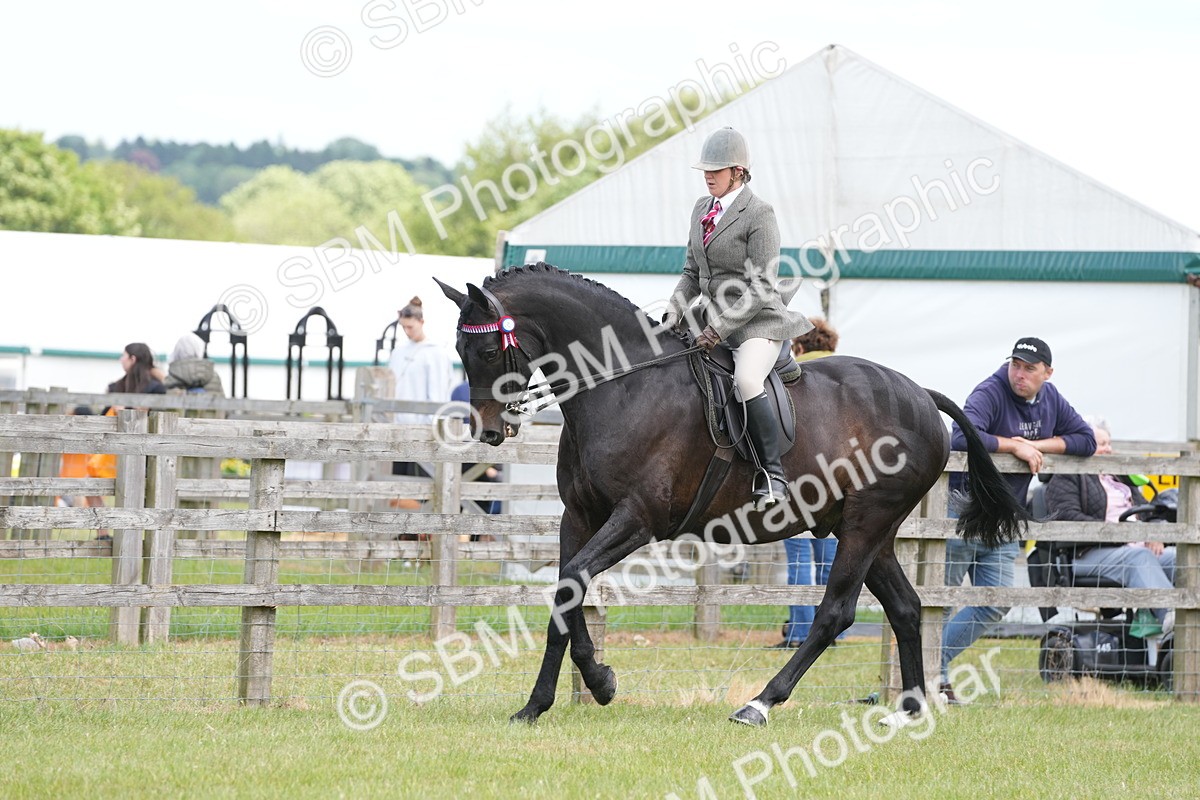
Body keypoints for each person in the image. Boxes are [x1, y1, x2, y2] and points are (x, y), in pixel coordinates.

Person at [662, 126, 813, 507]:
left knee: (746, 380)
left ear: (738, 172)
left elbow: (762, 285)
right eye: (705, 170)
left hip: (756, 322)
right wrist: (673, 311)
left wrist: (717, 329)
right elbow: (691, 272)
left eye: (716, 169)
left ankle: (773, 475)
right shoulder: (702, 209)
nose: (708, 176)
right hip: (708, 316)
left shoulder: (759, 213)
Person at [940, 336, 1096, 700]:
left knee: (996, 600)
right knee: (940, 600)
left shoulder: (1051, 399)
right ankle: (933, 678)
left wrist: (1036, 446)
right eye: (1015, 365)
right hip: (964, 509)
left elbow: (1086, 440)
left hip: (1004, 517)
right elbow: (961, 437)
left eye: (1029, 368)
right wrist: (1013, 445)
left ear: (1047, 373)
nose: (1019, 374)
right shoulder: (991, 391)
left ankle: (928, 665)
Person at [1043, 417, 1175, 633]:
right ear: (1085, 445)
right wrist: (1118, 533)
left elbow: (1148, 511)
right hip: (1088, 553)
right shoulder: (1067, 476)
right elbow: (1068, 518)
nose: (1108, 449)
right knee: (1140, 558)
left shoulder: (1119, 476)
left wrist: (1154, 533)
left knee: (1179, 559)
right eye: (1102, 444)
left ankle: (1188, 619)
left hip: (1134, 548)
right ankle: (1173, 618)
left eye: (1109, 444)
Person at [777, 317, 841, 646]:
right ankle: (830, 632)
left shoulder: (793, 373)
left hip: (798, 479)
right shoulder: (845, 376)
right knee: (831, 561)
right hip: (838, 479)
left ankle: (800, 633)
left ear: (799, 346)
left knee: (800, 558)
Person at [389, 296, 454, 488]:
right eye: (404, 327)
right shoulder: (398, 352)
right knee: (398, 483)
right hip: (399, 428)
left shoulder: (436, 353)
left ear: (421, 322)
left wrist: (431, 430)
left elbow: (438, 393)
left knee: (422, 484)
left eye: (410, 327)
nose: (407, 331)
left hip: (423, 430)